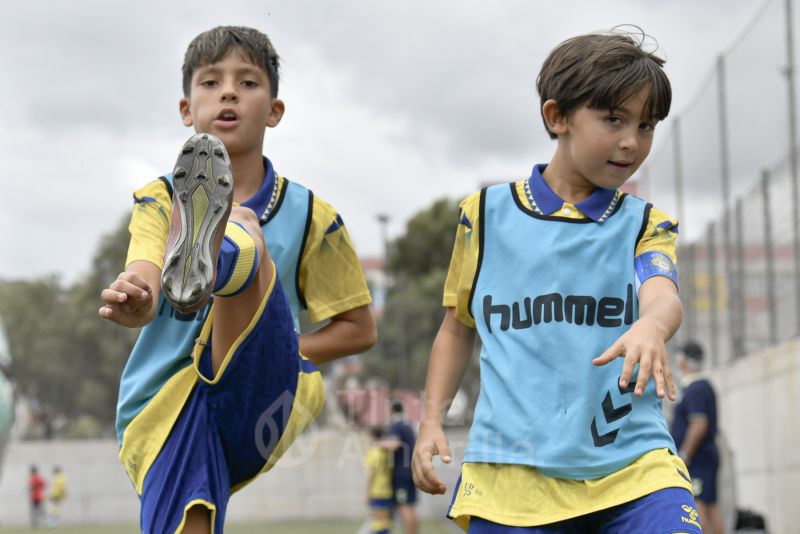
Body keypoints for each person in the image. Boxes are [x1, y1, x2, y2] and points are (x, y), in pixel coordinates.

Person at [412, 29, 702, 533]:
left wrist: (652, 327)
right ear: (557, 116)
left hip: (634, 471)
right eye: (614, 119)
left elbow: (663, 298)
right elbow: (457, 329)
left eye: (647, 125)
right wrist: (431, 419)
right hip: (511, 480)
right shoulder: (483, 218)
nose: (632, 141)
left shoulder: (645, 224)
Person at [99, 26, 375, 534]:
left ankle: (226, 251)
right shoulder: (158, 200)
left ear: (274, 110)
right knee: (190, 520)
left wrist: (282, 348)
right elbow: (142, 269)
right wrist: (139, 297)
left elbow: (359, 328)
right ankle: (219, 250)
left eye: (247, 83)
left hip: (267, 389)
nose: (228, 92)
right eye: (210, 82)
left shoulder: (314, 216)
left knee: (247, 231)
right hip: (164, 398)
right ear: (187, 109)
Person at [672, 341, 725, 534]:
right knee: (709, 505)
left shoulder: (696, 388)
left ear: (684, 360)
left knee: (699, 505)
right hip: (703, 457)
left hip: (699, 458)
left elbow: (699, 424)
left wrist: (685, 455)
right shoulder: (699, 386)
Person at [388, 400, 418, 534]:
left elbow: (394, 444)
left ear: (391, 411)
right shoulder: (408, 425)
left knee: (404, 506)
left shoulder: (396, 426)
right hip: (410, 471)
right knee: (409, 506)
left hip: (401, 473)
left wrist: (376, 444)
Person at [365, 427, 396, 534]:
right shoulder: (387, 452)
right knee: (386, 520)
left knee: (378, 521)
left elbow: (371, 474)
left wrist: (367, 492)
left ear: (372, 436)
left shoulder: (372, 452)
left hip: (377, 490)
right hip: (388, 489)